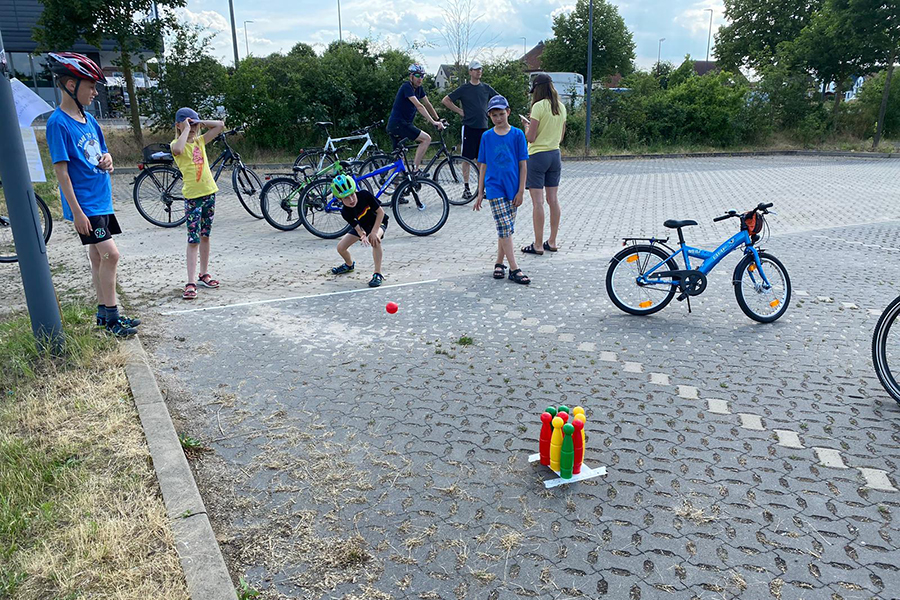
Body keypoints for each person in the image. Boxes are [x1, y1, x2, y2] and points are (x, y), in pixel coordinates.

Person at [46, 52, 140, 337]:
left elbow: (102, 152)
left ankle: (103, 314)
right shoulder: (58, 123)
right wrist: (77, 212)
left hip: (101, 200)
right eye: (91, 86)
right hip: (86, 205)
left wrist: (108, 159)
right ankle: (113, 318)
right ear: (71, 85)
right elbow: (62, 172)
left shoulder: (89, 120)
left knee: (98, 258)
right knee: (111, 255)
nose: (95, 93)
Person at [474, 95, 530, 285]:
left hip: (512, 187)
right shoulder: (487, 136)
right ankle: (514, 268)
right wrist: (480, 191)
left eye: (501, 114)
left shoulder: (518, 135)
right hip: (494, 187)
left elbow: (523, 165)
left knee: (505, 229)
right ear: (489, 116)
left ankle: (499, 263)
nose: (498, 118)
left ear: (508, 112)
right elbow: (483, 165)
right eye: (494, 115)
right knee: (505, 226)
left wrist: (521, 190)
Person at [170, 108, 226, 300]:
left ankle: (204, 274)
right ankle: (190, 281)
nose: (192, 127)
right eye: (188, 124)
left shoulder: (200, 141)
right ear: (178, 125)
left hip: (209, 193)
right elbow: (178, 150)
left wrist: (199, 122)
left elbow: (219, 125)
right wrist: (185, 128)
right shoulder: (176, 144)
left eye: (194, 125)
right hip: (193, 197)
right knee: (193, 240)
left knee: (205, 236)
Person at [519, 73, 567, 255]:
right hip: (555, 155)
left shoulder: (538, 107)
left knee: (538, 202)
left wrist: (526, 125)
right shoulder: (561, 107)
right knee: (553, 199)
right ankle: (552, 241)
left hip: (537, 156)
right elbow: (561, 137)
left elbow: (531, 137)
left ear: (537, 90)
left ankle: (538, 244)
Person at [441, 60, 498, 199]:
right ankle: (466, 188)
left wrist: (492, 112)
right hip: (469, 127)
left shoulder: (486, 88)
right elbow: (446, 100)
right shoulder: (464, 88)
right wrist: (459, 111)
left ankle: (481, 188)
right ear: (470, 72)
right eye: (476, 69)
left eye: (480, 69)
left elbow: (499, 99)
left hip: (483, 127)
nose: (479, 71)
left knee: (481, 159)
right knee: (466, 158)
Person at [329, 174, 388, 288]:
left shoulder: (365, 195)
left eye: (352, 195)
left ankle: (377, 274)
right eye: (346, 198)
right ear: (340, 199)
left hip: (378, 222)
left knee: (374, 239)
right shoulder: (345, 212)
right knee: (341, 247)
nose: (351, 200)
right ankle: (349, 265)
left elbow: (381, 213)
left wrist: (374, 232)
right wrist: (362, 235)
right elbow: (356, 226)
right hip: (364, 226)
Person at [387, 64, 445, 173]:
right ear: (411, 76)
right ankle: (415, 170)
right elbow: (419, 106)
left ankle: (394, 183)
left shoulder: (419, 89)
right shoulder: (406, 87)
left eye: (422, 76)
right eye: (417, 75)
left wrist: (438, 119)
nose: (420, 78)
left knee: (399, 159)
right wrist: (433, 122)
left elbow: (427, 104)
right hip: (399, 124)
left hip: (399, 125)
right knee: (426, 139)